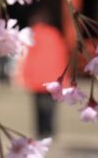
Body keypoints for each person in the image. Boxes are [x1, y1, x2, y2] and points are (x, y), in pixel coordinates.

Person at [16, 8, 69, 139]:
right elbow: (62, 56)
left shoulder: (30, 35)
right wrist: (65, 77)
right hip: (54, 76)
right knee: (51, 105)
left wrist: (21, 75)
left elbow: (24, 56)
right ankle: (50, 130)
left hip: (36, 76)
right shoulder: (55, 34)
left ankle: (41, 130)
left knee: (38, 105)